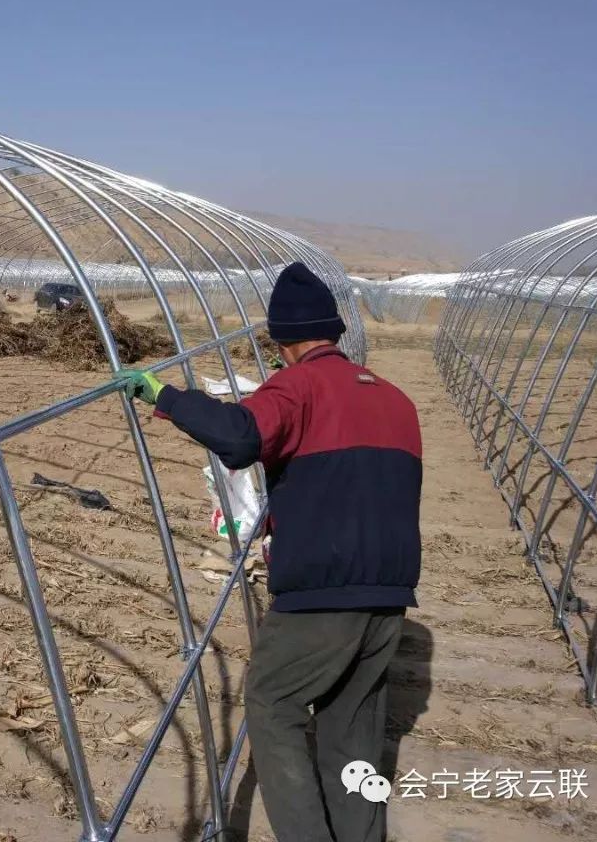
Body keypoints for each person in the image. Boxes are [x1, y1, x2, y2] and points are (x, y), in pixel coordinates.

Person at [119, 262, 422, 842]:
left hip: (321, 594)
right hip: (388, 598)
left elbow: (240, 436)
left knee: (272, 701)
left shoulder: (297, 386)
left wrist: (166, 396)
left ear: (283, 340)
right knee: (351, 731)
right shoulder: (396, 400)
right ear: (334, 332)